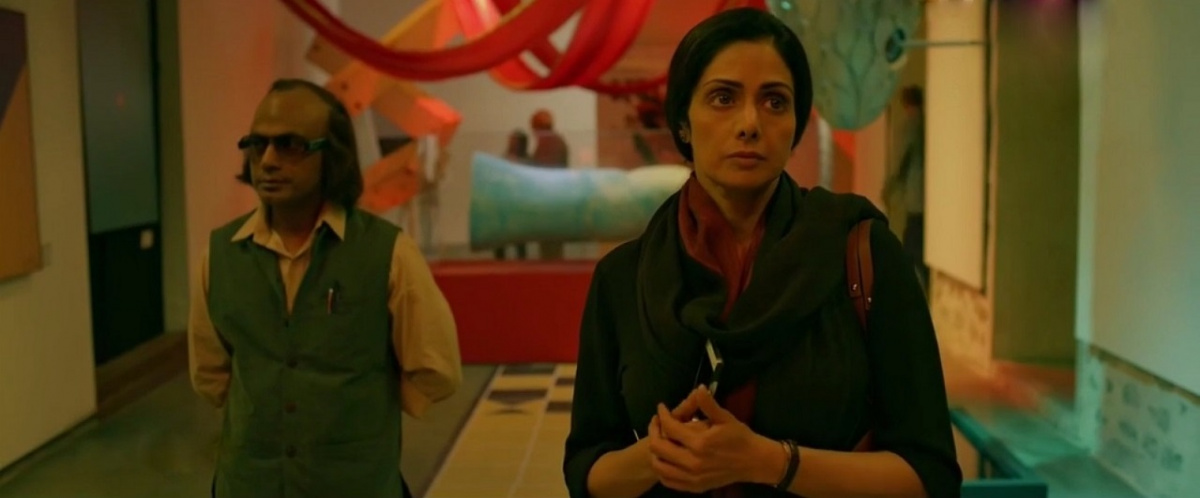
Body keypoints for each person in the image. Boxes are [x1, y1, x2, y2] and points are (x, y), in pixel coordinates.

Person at [563, 8, 961, 498]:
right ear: (683, 122)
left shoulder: (860, 252)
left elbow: (930, 474)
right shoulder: (625, 277)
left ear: (795, 125)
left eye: (775, 101)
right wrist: (659, 455)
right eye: (723, 98)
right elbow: (587, 470)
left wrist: (769, 462)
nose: (750, 123)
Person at [188, 78, 463, 498]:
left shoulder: (387, 253)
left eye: (290, 145)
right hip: (248, 484)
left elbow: (437, 370)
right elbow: (211, 376)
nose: (268, 160)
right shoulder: (221, 255)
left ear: (332, 156)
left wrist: (361, 411)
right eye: (258, 144)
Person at [884, 85, 928, 291]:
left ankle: (914, 288)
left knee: (912, 245)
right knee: (917, 242)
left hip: (916, 196)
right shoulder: (927, 124)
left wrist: (889, 187)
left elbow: (902, 159)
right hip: (927, 197)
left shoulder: (911, 125)